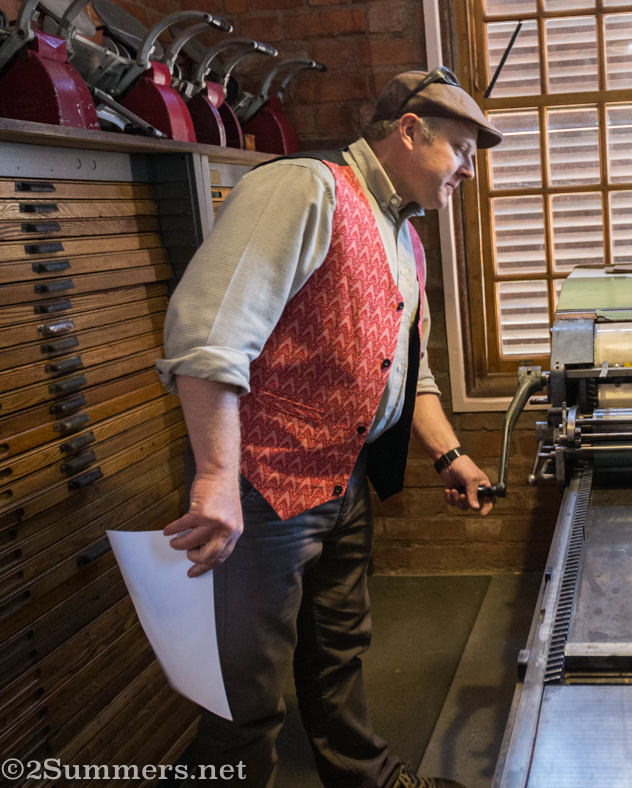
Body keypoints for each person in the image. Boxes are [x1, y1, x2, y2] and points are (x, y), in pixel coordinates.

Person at [154, 67, 503, 788]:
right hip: (260, 490)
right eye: (462, 151)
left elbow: (409, 371)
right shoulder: (304, 189)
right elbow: (208, 337)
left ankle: (368, 781)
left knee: (336, 658)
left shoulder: (406, 239)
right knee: (241, 701)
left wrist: (450, 456)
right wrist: (216, 477)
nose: (469, 171)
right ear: (409, 131)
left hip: (341, 484)